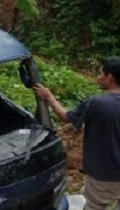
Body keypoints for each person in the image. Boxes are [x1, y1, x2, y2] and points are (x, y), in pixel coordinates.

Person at [34, 57, 120, 210]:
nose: (97, 77)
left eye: (100, 73)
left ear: (110, 77)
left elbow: (66, 117)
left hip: (104, 174)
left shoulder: (97, 103)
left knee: (95, 206)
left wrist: (49, 97)